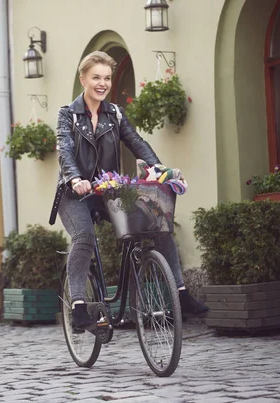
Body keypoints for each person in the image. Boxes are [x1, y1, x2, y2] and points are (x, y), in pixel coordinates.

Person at [50, 51, 207, 332]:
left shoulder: (115, 114)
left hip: (107, 191)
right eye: (96, 77)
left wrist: (159, 170)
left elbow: (136, 142)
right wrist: (74, 179)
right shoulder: (68, 115)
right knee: (84, 236)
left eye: (107, 78)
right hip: (75, 194)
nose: (103, 83)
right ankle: (78, 308)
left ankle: (180, 294)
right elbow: (65, 151)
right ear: (83, 79)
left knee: (157, 223)